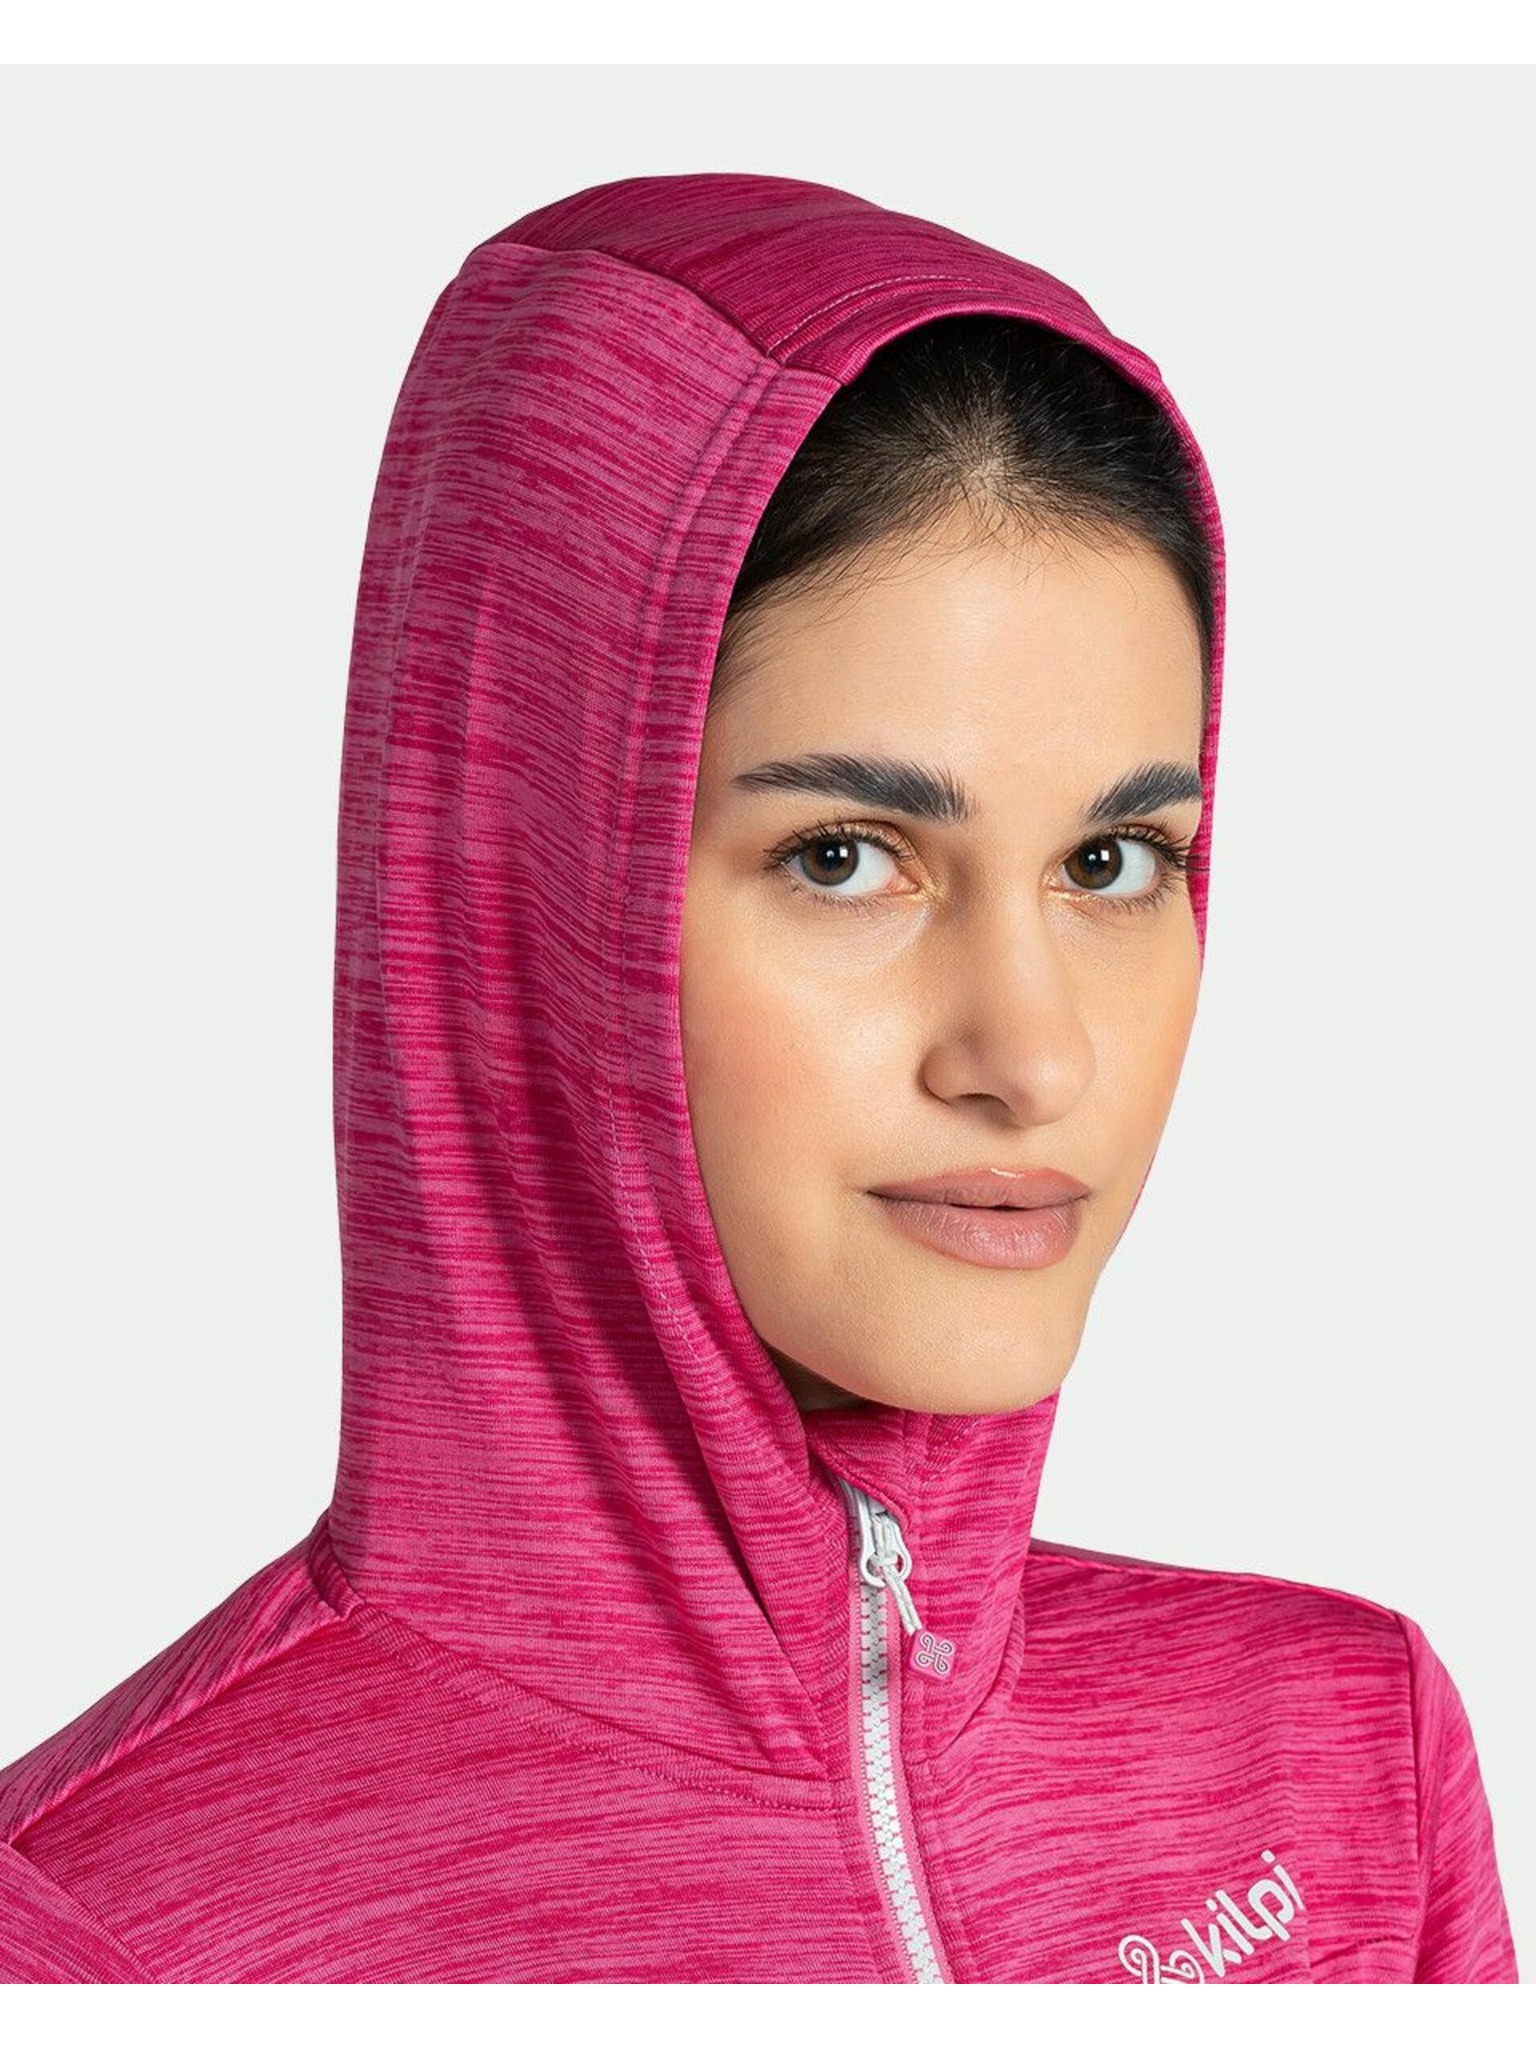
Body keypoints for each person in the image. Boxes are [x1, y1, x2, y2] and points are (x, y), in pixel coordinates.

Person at [0, 171, 1516, 1985]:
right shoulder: (111, 1936)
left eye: (1112, 864)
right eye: (846, 859)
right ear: (529, 880)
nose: (1034, 1058)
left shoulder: (1341, 1770)